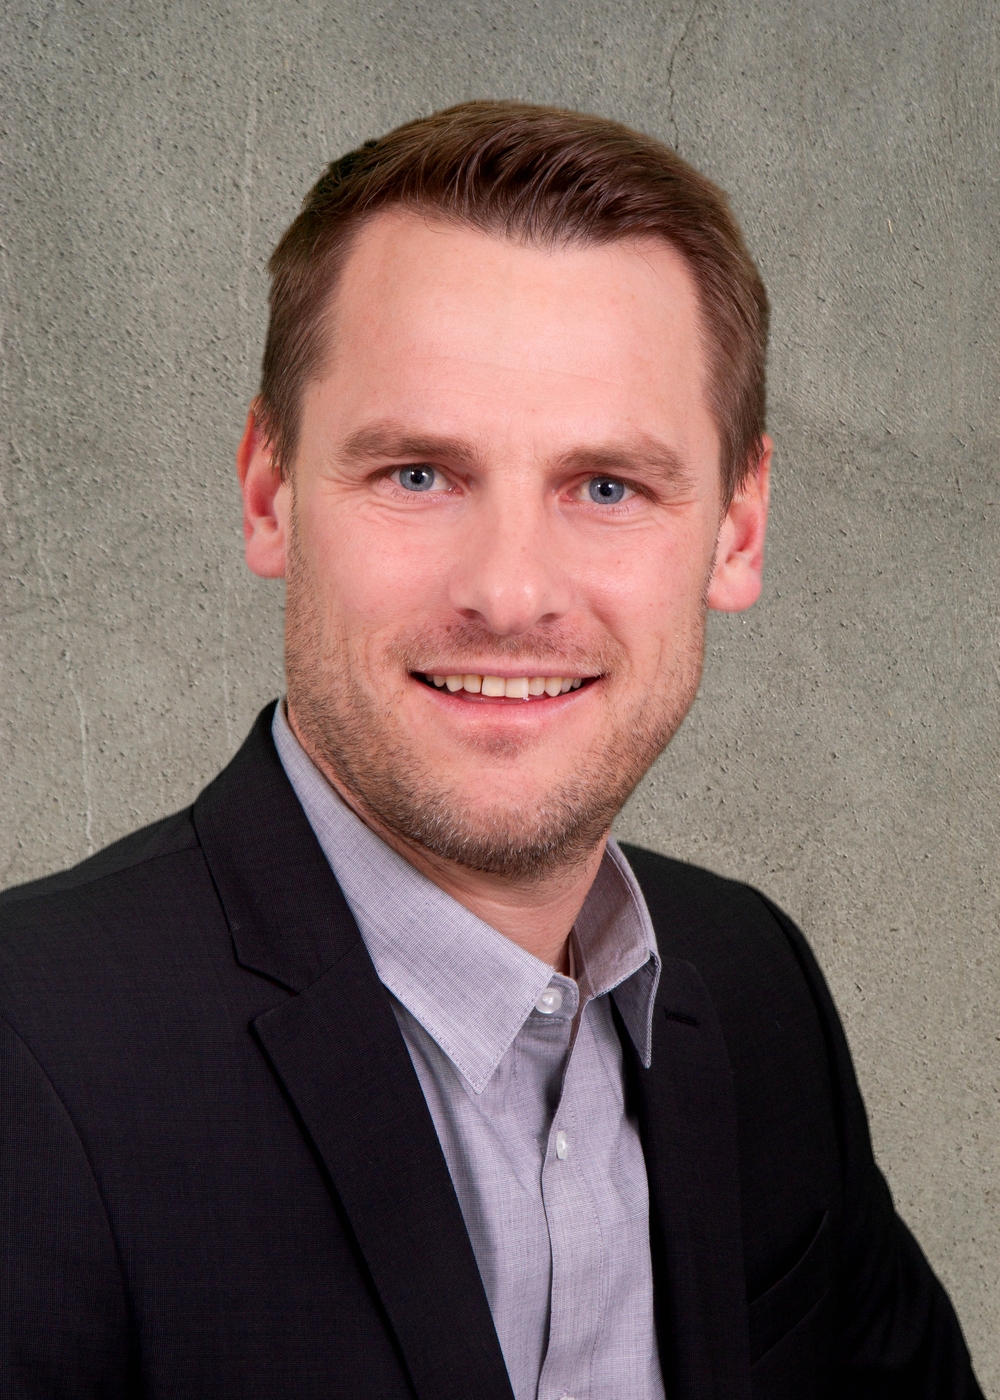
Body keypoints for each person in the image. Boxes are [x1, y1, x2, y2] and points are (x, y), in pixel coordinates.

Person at [0, 101, 983, 1400]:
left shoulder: (754, 990)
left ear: (738, 531)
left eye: (607, 486)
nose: (511, 593)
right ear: (268, 490)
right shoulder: (29, 1062)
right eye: (418, 474)